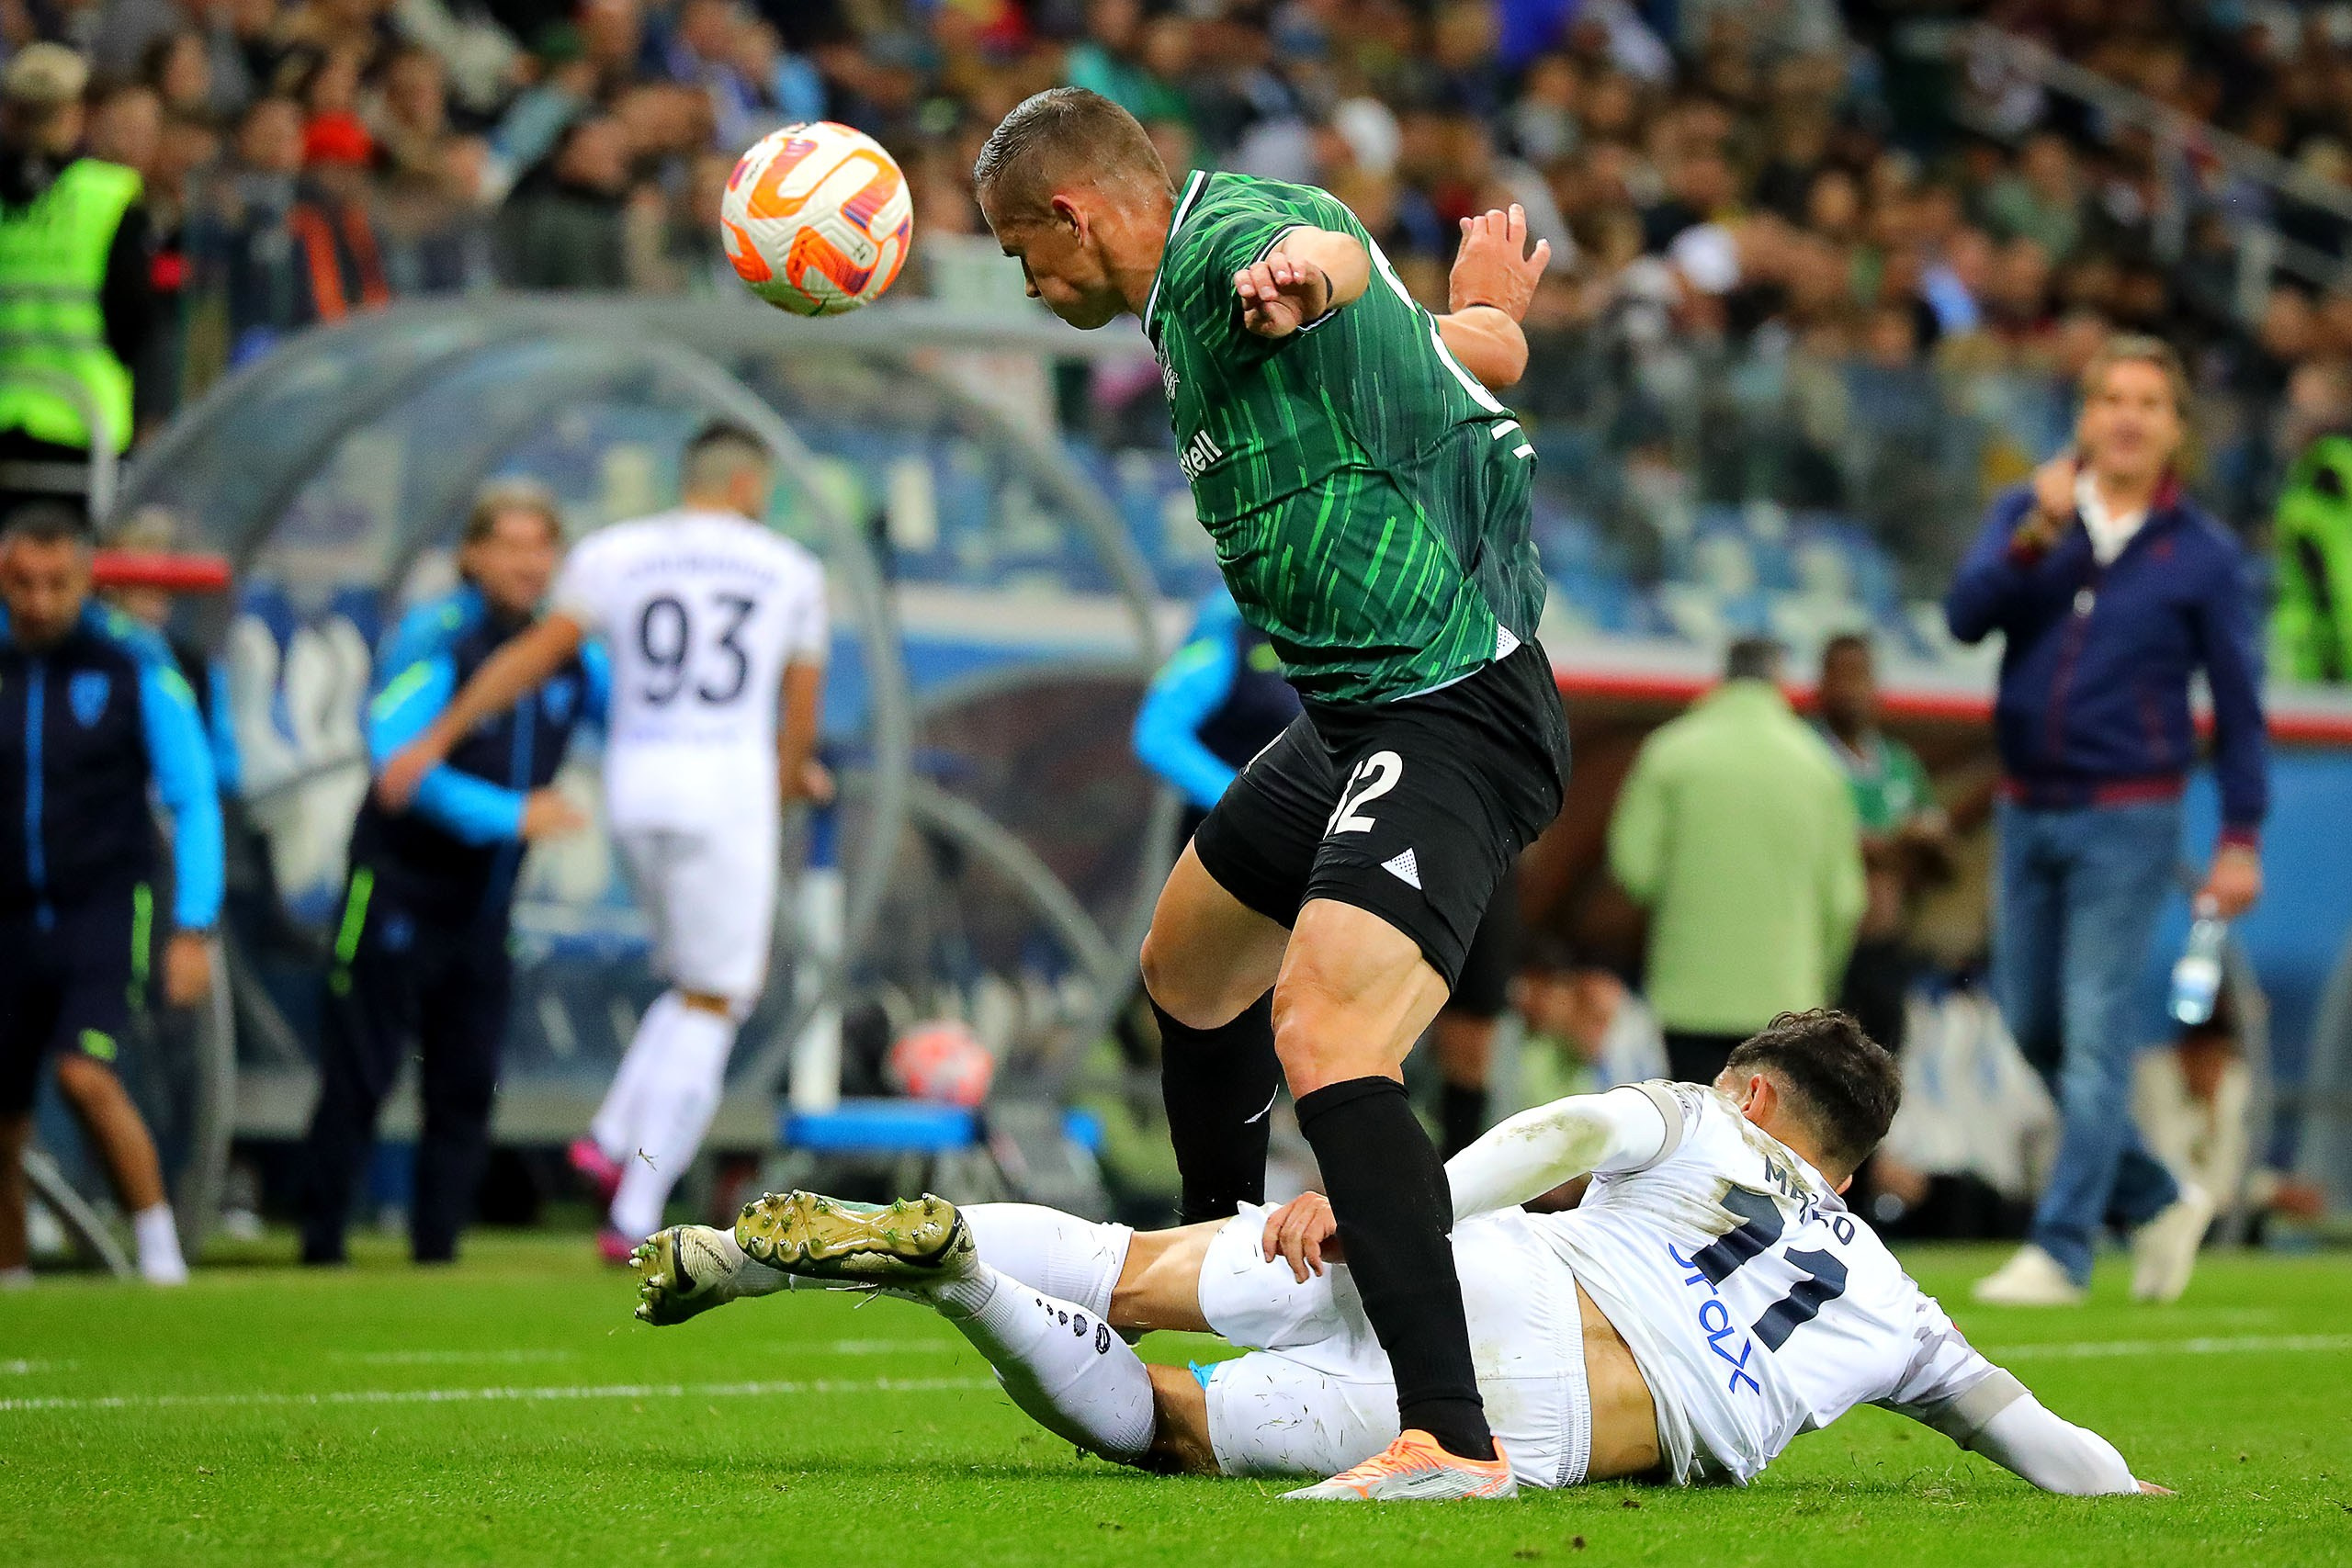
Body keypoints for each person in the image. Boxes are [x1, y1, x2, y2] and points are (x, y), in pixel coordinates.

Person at [974, 86, 1569, 1496]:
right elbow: (1449, 348)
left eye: (1018, 250)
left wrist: (1306, 275)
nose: (1025, 277)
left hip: (1451, 704)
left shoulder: (1233, 244)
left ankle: (1453, 1437)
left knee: (1327, 1032)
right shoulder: (1176, 316)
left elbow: (1321, 255)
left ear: (1072, 212)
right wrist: (1498, 324)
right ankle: (1228, 1278)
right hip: (1351, 713)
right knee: (1189, 965)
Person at [639, 1011, 2164, 1500]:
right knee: (1172, 1422)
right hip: (1562, 1422)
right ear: (1844, 1159)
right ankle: (965, 1278)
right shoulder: (1897, 1303)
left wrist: (1393, 1204)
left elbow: (1568, 1123)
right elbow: (2044, 1439)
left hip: (1489, 1268)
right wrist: (2140, 1498)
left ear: (1758, 1095)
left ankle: (869, 1246)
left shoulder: (1706, 1115)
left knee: (1121, 1262)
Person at [376, 423, 831, 1260]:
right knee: (723, 996)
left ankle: (615, 1133)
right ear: (747, 487)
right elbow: (796, 716)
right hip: (724, 792)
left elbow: (530, 659)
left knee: (690, 985)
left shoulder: (617, 553)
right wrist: (786, 784)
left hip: (636, 787)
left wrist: (435, 739)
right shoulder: (792, 570)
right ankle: (633, 1200)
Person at [1945, 334, 2267, 1308]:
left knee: (2091, 1035)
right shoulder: (2029, 516)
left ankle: (2063, 1248)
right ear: (2083, 417)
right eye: (2110, 399)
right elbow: (1965, 616)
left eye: (2148, 403)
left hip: (2129, 813)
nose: (2126, 417)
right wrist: (2033, 537)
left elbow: (2241, 703)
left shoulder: (2202, 556)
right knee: (2036, 1028)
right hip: (2026, 806)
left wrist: (2240, 835)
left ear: (2175, 432)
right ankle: (2160, 1196)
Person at [297, 483, 602, 1266]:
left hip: (485, 906)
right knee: (360, 1075)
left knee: (465, 1084)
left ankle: (438, 1254)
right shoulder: (439, 639)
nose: (528, 562)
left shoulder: (568, 655)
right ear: (472, 555)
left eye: (543, 546)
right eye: (510, 543)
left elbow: (636, 718)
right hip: (399, 887)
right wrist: (512, 815)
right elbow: (399, 760)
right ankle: (320, 1247)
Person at [1131, 586, 1522, 1161]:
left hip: (1324, 852)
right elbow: (1157, 734)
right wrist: (1245, 800)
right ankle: (1225, 1180)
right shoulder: (1230, 644)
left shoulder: (1349, 651)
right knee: (1231, 1004)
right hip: (1242, 861)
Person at [0, 507, 220, 1287]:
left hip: (104, 905)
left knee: (85, 1074)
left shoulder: (132, 664)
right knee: (5, 1107)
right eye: (23, 583)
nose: (38, 599)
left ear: (87, 579)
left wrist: (194, 923)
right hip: (10, 915)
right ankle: (12, 1270)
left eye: (57, 583)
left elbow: (194, 795)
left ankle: (159, 1250)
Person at [1609, 637, 1867, 1087]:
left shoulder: (1669, 752)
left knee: (1697, 1134)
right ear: (1780, 683)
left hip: (1687, 996)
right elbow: (1845, 902)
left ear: (1723, 678)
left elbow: (1634, 868)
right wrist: (1819, 984)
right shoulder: (1819, 767)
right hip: (1787, 1002)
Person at [0, 44, 158, 519]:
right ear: (75, 115)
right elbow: (134, 322)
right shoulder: (109, 196)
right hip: (84, 428)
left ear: (9, 114)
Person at [1815, 632, 1950, 1055]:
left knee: (1882, 1069)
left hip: (1889, 947)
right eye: (1842, 676)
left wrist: (1923, 844)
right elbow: (1827, 841)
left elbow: (1942, 857)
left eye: (1862, 677)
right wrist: (1898, 844)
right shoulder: (1808, 756)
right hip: (1825, 950)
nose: (1852, 690)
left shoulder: (1900, 764)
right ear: (1822, 685)